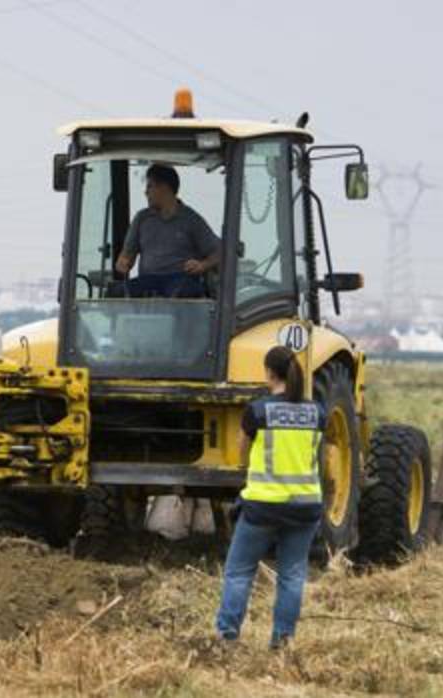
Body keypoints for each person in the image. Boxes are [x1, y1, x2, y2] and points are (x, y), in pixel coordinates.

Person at [215, 346, 325, 649]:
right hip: (306, 506)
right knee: (291, 575)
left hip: (263, 506)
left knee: (239, 573)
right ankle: (282, 641)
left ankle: (227, 638)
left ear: (269, 373)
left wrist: (246, 469)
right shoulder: (318, 412)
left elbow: (243, 450)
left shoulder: (258, 410)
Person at [115, 164, 221, 298]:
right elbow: (126, 256)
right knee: (117, 292)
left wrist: (202, 265)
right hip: (148, 280)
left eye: (149, 186)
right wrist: (123, 263)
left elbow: (220, 252)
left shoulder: (191, 219)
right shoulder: (142, 218)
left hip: (179, 279)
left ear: (164, 188)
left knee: (185, 291)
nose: (146, 192)